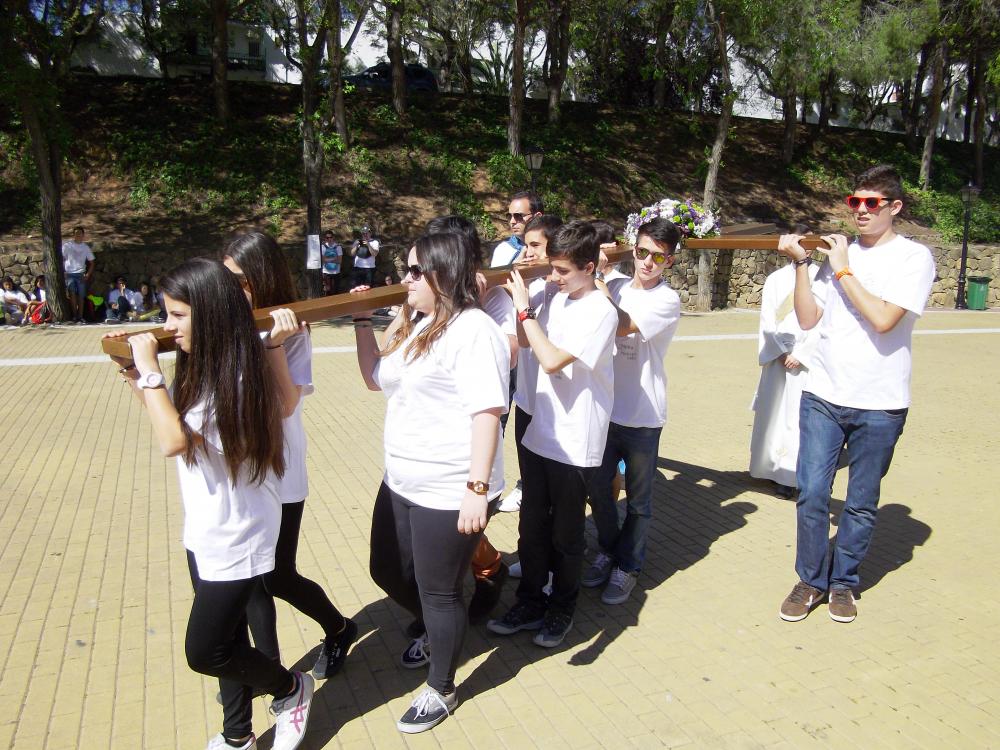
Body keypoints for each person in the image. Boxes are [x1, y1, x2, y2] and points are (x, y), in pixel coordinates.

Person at [103, 258, 315, 750]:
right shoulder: (203, 365)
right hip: (205, 525)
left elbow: (172, 442)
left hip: (239, 533)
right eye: (166, 314)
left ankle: (289, 688)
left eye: (178, 315)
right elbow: (175, 426)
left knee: (205, 651)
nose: (168, 327)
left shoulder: (237, 374)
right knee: (228, 639)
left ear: (213, 314)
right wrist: (136, 376)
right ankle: (237, 734)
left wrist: (150, 373)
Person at [353, 232, 510, 733]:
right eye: (406, 269)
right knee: (386, 569)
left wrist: (477, 489)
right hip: (401, 476)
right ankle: (446, 621)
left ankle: (442, 687)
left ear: (444, 274)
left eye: (416, 271)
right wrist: (361, 322)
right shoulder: (418, 322)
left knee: (439, 591)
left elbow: (488, 413)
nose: (406, 279)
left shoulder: (475, 330)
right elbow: (374, 377)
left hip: (449, 485)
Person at [776, 164, 935, 624]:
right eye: (854, 202)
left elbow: (884, 319)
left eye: (871, 203)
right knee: (811, 493)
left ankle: (843, 582)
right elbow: (808, 319)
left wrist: (842, 268)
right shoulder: (836, 256)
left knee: (861, 501)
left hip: (880, 403)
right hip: (823, 393)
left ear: (894, 207)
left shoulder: (913, 258)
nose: (861, 211)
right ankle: (810, 580)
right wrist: (802, 265)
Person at [222, 231, 357, 688]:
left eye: (241, 280)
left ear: (262, 278)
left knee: (277, 575)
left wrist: (273, 344)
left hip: (280, 467)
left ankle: (339, 628)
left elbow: (285, 404)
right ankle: (271, 673)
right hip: (241, 465)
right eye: (227, 279)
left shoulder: (292, 328)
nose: (234, 289)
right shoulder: (227, 322)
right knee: (251, 578)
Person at [489, 221, 617, 648]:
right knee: (531, 524)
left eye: (563, 270)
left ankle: (562, 606)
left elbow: (551, 359)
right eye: (553, 268)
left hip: (576, 438)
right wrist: (517, 304)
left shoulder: (600, 310)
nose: (555, 277)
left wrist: (525, 310)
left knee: (566, 533)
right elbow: (527, 344)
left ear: (589, 267)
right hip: (542, 429)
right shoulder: (557, 296)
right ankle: (529, 600)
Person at [584, 218, 681, 605]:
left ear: (670, 261)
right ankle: (609, 550)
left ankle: (629, 566)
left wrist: (601, 281)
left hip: (642, 415)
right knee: (597, 489)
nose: (648, 262)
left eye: (659, 257)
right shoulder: (618, 284)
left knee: (639, 502)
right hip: (605, 409)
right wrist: (600, 260)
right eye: (641, 252)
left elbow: (622, 325)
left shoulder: (666, 299)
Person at [499, 213, 563, 515]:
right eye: (526, 245)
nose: (528, 253)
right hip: (526, 400)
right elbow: (524, 341)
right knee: (532, 483)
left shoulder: (571, 292)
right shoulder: (532, 288)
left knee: (558, 490)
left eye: (535, 245)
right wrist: (520, 299)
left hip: (558, 405)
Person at [749, 259, 821, 497]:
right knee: (772, 413)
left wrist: (802, 354)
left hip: (804, 359)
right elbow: (767, 319)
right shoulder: (776, 278)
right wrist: (779, 351)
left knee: (795, 416)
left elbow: (824, 321)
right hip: (777, 356)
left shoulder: (822, 277)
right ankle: (766, 467)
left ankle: (789, 476)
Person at [489, 191, 544, 267]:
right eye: (509, 216)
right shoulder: (503, 250)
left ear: (537, 217)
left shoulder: (555, 246)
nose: (512, 221)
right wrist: (513, 268)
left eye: (518, 216)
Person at [62, 226, 95, 323]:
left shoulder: (85, 247)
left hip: (80, 273)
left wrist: (87, 275)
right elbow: (62, 259)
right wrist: (63, 272)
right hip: (69, 274)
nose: (78, 235)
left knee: (81, 296)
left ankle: (80, 316)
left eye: (80, 233)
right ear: (73, 235)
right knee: (72, 295)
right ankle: (75, 316)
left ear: (83, 235)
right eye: (76, 233)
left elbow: (92, 262)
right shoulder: (67, 245)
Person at [320, 231, 343, 295]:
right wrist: (334, 259)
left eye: (331, 237)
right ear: (325, 238)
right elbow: (322, 260)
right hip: (326, 272)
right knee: (327, 291)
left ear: (333, 237)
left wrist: (327, 260)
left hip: (336, 272)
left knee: (336, 291)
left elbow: (339, 261)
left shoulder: (338, 247)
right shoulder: (323, 247)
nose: (329, 239)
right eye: (327, 238)